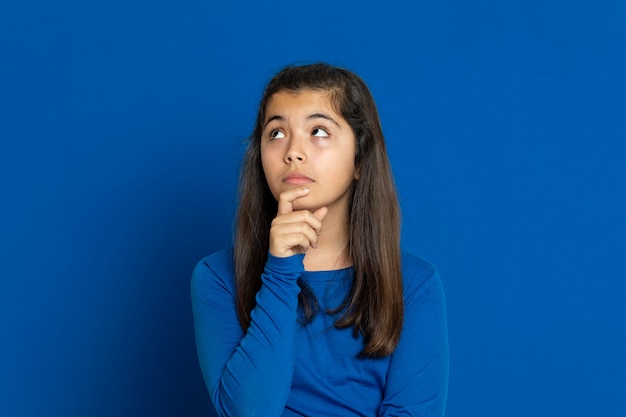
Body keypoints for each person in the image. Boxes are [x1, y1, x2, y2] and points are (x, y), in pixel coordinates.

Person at [191, 62, 449, 416]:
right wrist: (281, 269)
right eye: (277, 133)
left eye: (319, 131)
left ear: (359, 160)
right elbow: (249, 411)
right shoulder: (217, 277)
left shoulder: (415, 284)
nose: (293, 152)